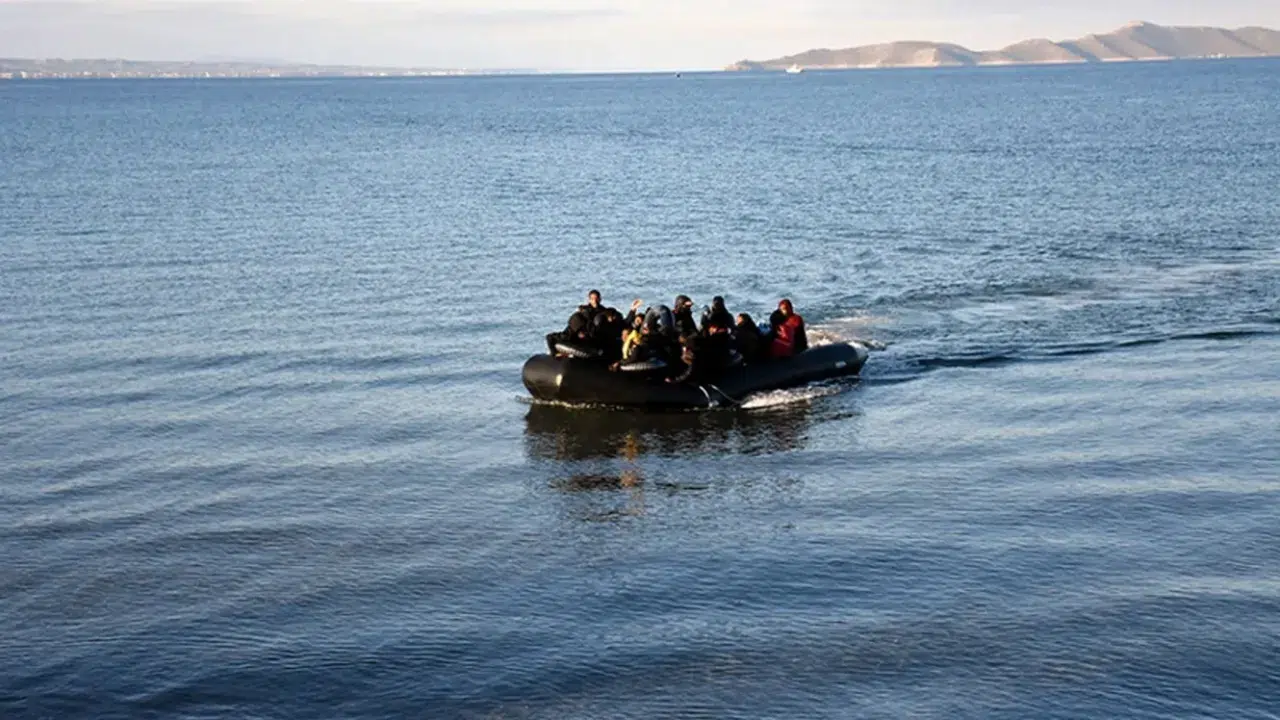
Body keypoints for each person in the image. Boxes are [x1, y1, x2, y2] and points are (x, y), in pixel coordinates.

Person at [545, 289, 605, 355]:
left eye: (596, 299)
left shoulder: (603, 311)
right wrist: (580, 331)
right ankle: (554, 352)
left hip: (590, 334)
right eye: (592, 299)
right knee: (561, 337)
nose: (595, 301)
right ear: (589, 300)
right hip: (577, 330)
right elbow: (575, 319)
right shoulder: (585, 310)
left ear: (600, 299)